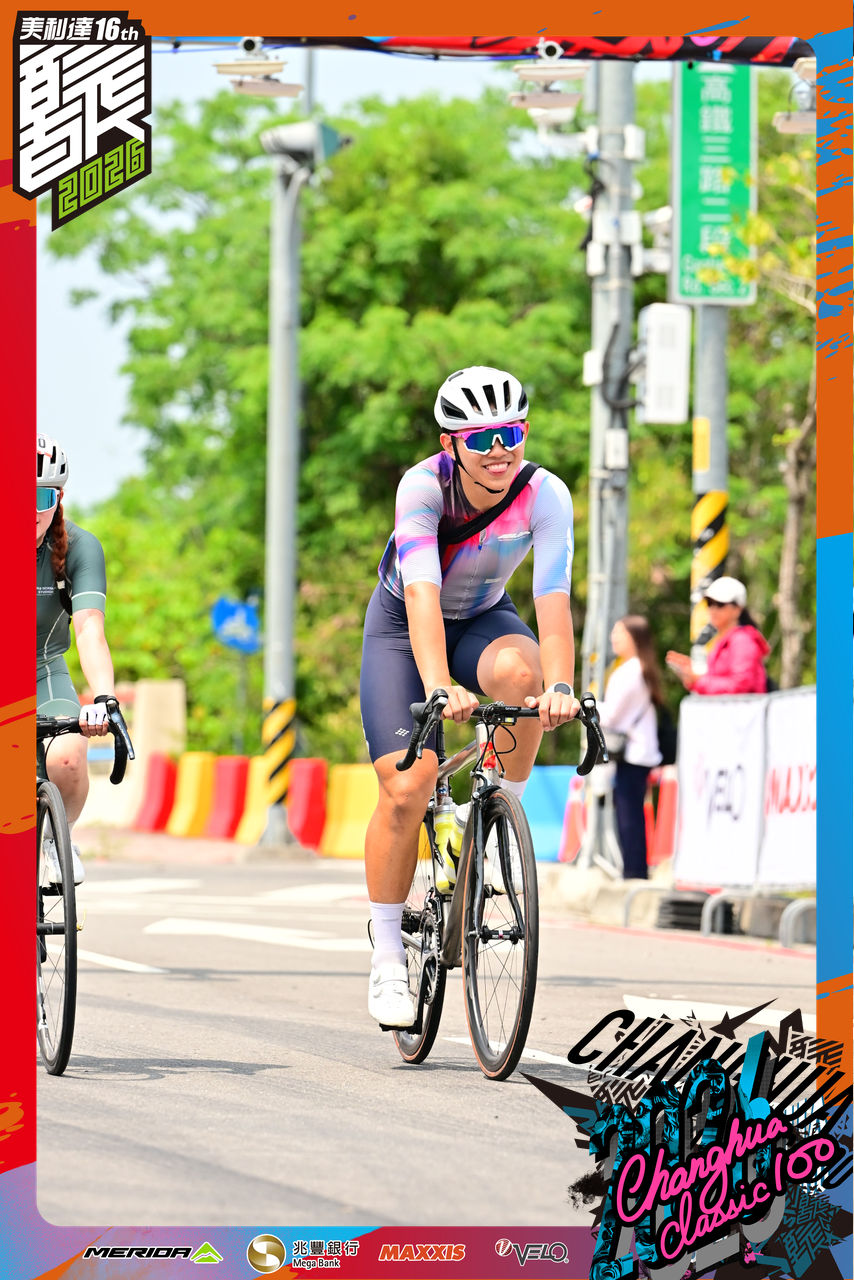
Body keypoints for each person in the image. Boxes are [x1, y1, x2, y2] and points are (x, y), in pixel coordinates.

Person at [359, 366, 580, 1027]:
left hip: (484, 617)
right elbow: (421, 594)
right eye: (481, 438)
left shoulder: (546, 494)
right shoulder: (423, 488)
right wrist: (438, 686)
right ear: (450, 443)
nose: (498, 450)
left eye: (510, 433)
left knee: (524, 679)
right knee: (407, 788)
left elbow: (553, 599)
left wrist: (561, 686)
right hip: (403, 627)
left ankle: (490, 821)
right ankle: (387, 954)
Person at [37, 434, 118, 884]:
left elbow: (88, 630)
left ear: (59, 500)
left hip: (43, 670)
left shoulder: (80, 547)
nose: (30, 511)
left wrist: (104, 697)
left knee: (68, 756)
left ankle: (56, 839)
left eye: (41, 498)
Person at [597, 616, 663, 880]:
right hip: (642, 752)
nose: (613, 638)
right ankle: (636, 869)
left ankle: (634, 872)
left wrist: (588, 707)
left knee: (628, 816)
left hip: (633, 754)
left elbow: (612, 716)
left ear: (634, 638)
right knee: (633, 813)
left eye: (619, 633)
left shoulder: (629, 671)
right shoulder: (641, 668)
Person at [666, 577, 770, 696]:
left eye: (720, 604)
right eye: (710, 603)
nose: (713, 609)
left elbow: (741, 687)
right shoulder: (724, 641)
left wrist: (699, 680)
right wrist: (691, 675)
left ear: (737, 609)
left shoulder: (742, 641)